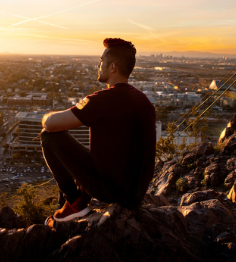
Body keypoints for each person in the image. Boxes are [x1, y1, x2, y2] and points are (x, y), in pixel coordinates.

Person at [39, 38, 156, 226]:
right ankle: (79, 199)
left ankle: (75, 203)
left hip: (112, 190)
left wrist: (45, 117)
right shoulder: (144, 101)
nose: (98, 65)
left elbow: (52, 125)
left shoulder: (103, 100)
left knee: (48, 137)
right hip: (136, 191)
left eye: (101, 61)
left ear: (113, 68)